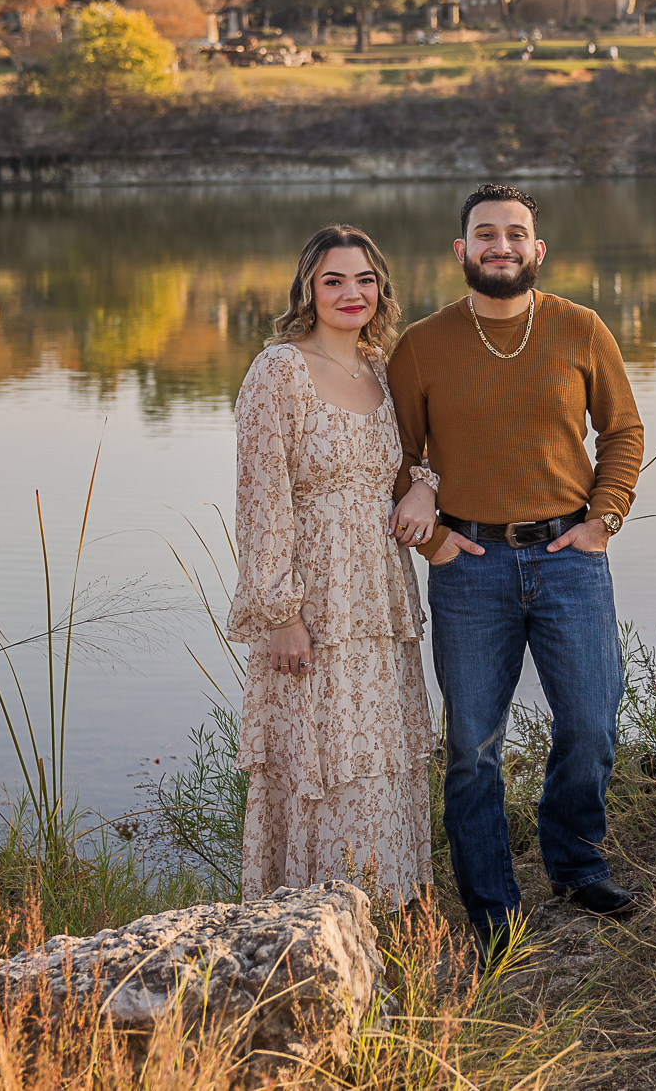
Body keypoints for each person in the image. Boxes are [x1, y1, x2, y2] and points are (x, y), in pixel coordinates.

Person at [387, 183, 645, 953]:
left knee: (593, 723)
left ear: (538, 250)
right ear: (461, 251)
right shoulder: (423, 346)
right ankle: (493, 905)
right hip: (469, 566)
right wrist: (430, 538)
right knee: (471, 745)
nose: (501, 245)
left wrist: (606, 517)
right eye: (485, 234)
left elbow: (623, 430)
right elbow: (392, 457)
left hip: (569, 558)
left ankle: (574, 861)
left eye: (515, 233)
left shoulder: (582, 328)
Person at [226, 224, 433, 905]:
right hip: (313, 603)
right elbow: (262, 498)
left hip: (379, 597)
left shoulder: (380, 368)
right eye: (334, 280)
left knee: (378, 757)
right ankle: (308, 916)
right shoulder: (278, 369)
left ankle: (387, 908)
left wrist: (426, 484)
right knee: (319, 759)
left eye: (365, 279)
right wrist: (279, 615)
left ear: (382, 289)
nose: (352, 292)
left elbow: (412, 462)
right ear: (308, 290)